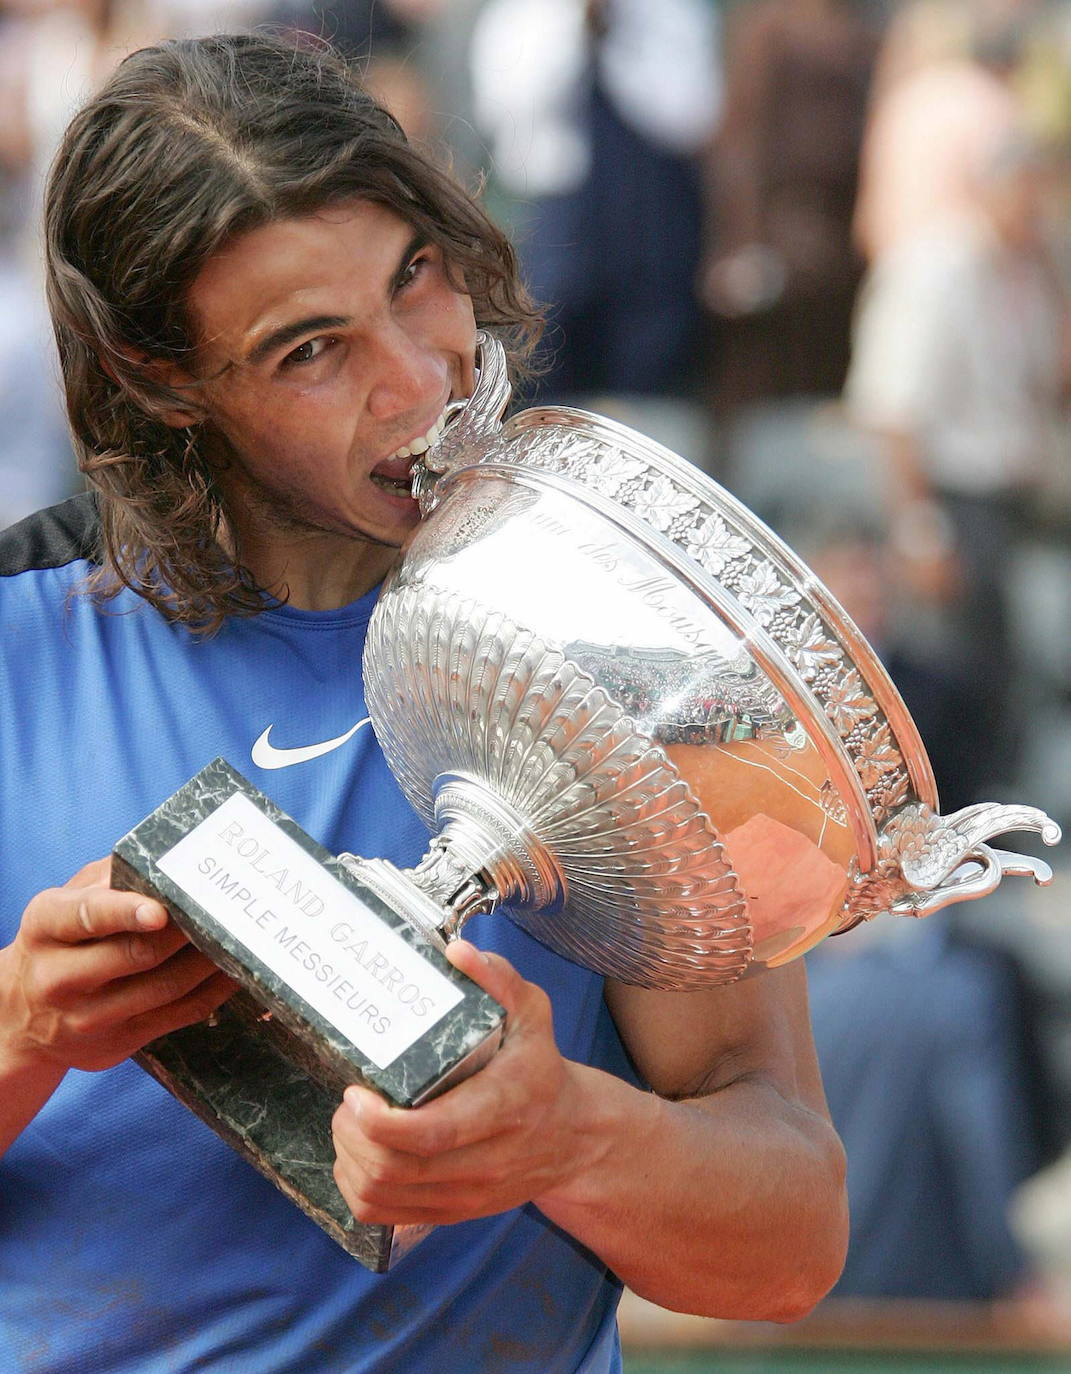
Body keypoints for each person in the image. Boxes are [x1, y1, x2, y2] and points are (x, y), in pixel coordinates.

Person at [0, 34, 847, 1373]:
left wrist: (569, 1132)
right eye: (310, 350)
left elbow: (791, 1242)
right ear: (163, 381)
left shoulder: (626, 629)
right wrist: (23, 1030)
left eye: (417, 277)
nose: (419, 376)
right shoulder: (16, 641)